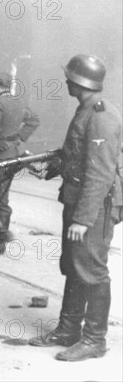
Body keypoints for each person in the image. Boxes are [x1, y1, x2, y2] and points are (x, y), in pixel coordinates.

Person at [29, 54, 122, 362]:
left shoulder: (100, 115)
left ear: (79, 81)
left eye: (69, 77)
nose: (66, 81)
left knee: (92, 270)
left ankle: (95, 339)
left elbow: (100, 173)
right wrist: (58, 162)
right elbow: (80, 157)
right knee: (74, 265)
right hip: (78, 201)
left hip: (93, 209)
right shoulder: (86, 110)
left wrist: (83, 219)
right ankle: (68, 330)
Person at [0, 72, 40, 255]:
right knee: (3, 197)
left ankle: (0, 238)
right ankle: (1, 237)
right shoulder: (19, 101)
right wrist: (18, 138)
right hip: (13, 154)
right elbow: (34, 120)